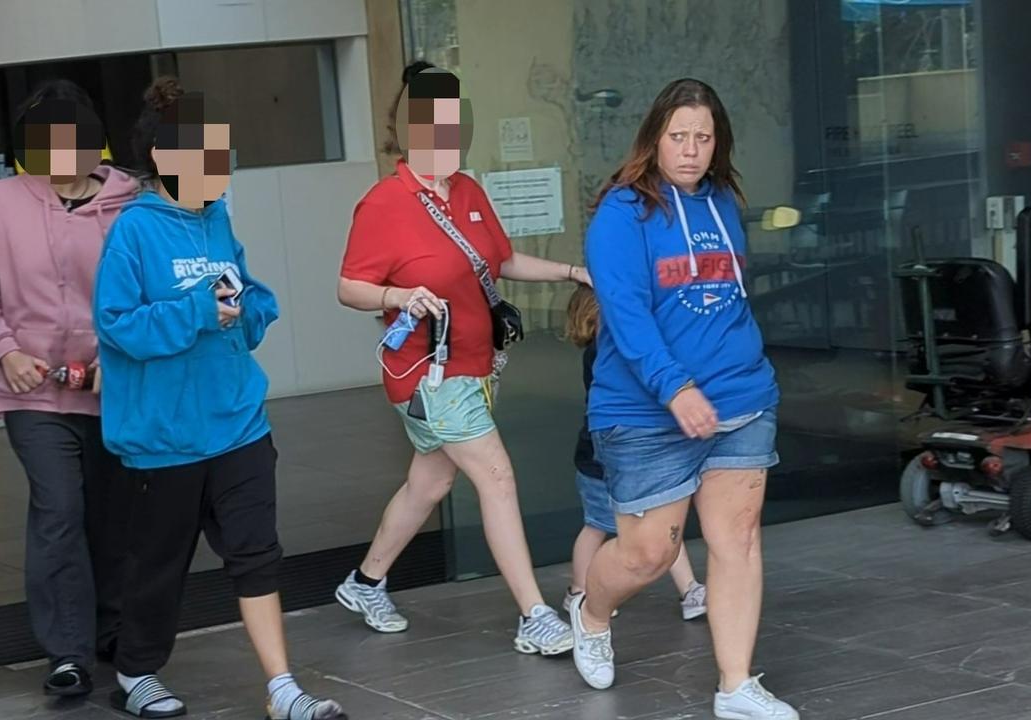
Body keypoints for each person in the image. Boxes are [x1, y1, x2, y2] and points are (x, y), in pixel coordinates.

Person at [93, 77, 343, 720]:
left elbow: (246, 295)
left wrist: (252, 308)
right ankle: (137, 671)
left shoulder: (217, 221)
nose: (220, 166)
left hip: (238, 422)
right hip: (165, 437)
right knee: (159, 564)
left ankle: (282, 686)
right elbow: (118, 327)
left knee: (257, 553)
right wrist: (201, 311)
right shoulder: (133, 233)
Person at [336, 61, 588, 655]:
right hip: (428, 374)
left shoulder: (468, 191)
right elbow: (349, 287)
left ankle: (365, 582)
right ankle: (533, 615)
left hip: (475, 370)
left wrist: (574, 272)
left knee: (429, 483)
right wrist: (399, 295)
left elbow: (499, 261)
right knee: (496, 476)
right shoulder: (384, 203)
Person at [569, 78, 797, 720]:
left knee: (738, 538)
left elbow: (724, 300)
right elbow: (629, 316)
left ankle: (735, 685)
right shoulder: (622, 213)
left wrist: (735, 373)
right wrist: (677, 388)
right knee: (650, 552)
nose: (691, 150)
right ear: (654, 138)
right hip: (644, 410)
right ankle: (591, 609)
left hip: (740, 398)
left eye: (703, 137)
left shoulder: (723, 201)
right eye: (679, 137)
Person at [0, 79, 139, 698]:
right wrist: (5, 351)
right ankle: (68, 651)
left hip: (113, 389)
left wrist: (124, 358)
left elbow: (144, 290)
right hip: (33, 392)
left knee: (113, 517)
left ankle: (113, 629)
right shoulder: (1, 201)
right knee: (59, 509)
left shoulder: (129, 202)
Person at [562, 286, 707, 622]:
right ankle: (580, 591)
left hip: (625, 454)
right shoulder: (604, 354)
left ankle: (690, 589)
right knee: (597, 526)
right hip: (601, 459)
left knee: (661, 522)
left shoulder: (607, 350)